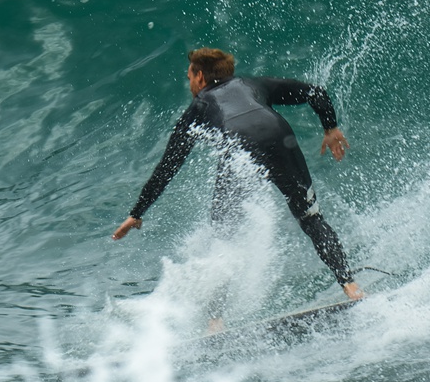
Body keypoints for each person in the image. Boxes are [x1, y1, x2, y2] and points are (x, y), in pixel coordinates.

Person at [112, 48, 363, 328]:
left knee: (223, 238)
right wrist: (330, 128)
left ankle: (215, 322)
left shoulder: (198, 108)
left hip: (240, 148)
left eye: (190, 77)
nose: (190, 84)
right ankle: (352, 288)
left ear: (200, 76)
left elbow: (168, 166)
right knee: (310, 218)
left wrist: (137, 212)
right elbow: (315, 92)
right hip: (279, 137)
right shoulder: (253, 84)